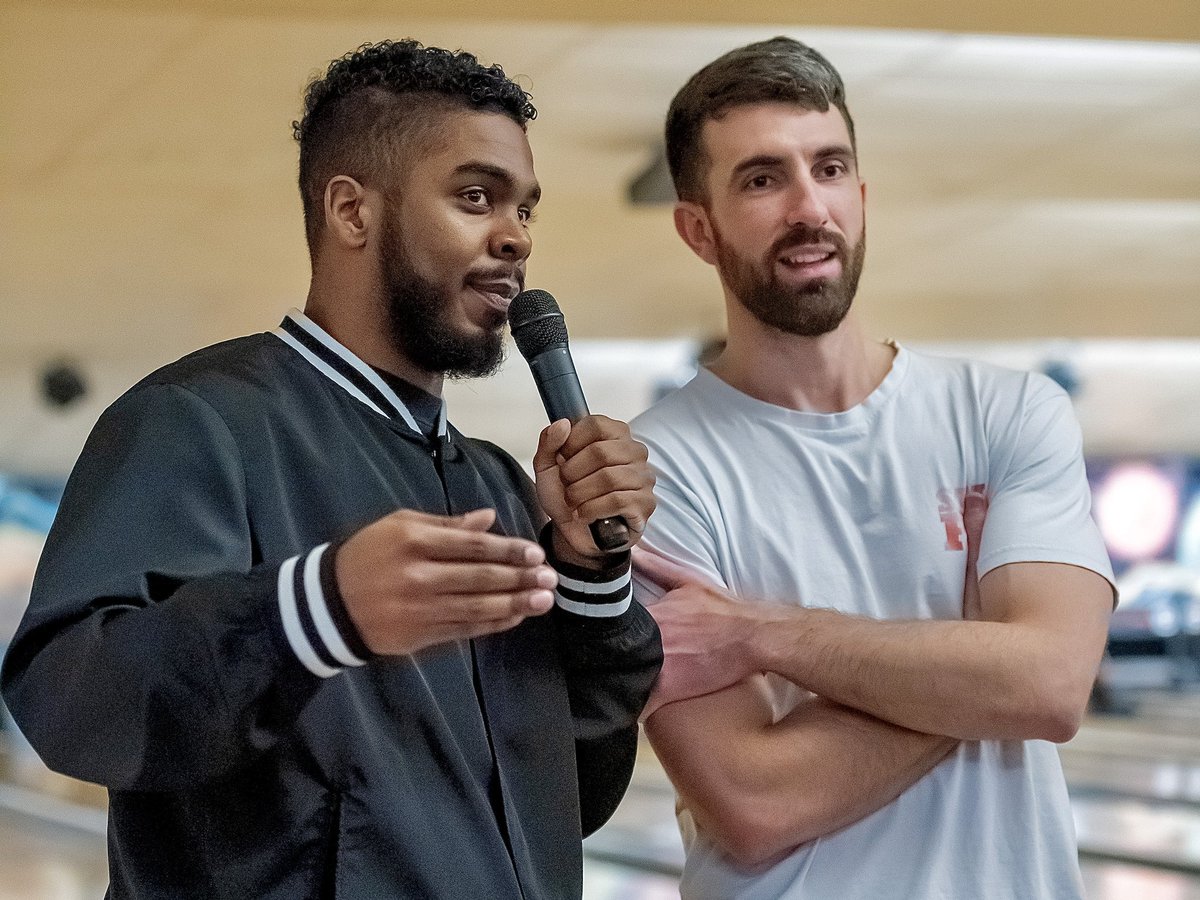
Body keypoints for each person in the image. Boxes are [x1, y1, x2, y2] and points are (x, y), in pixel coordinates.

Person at [1, 40, 662, 899]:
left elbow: (565, 799)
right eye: (475, 197)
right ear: (352, 212)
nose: (515, 237)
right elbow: (74, 701)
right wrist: (315, 609)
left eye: (526, 209)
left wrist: (588, 576)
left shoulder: (498, 487)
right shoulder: (199, 422)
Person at [631, 36, 1115, 899]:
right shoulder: (649, 476)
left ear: (862, 194)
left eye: (829, 167)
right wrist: (974, 650)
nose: (808, 207)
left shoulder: (1009, 412)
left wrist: (761, 633)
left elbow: (1051, 686)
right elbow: (754, 800)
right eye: (761, 178)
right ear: (697, 230)